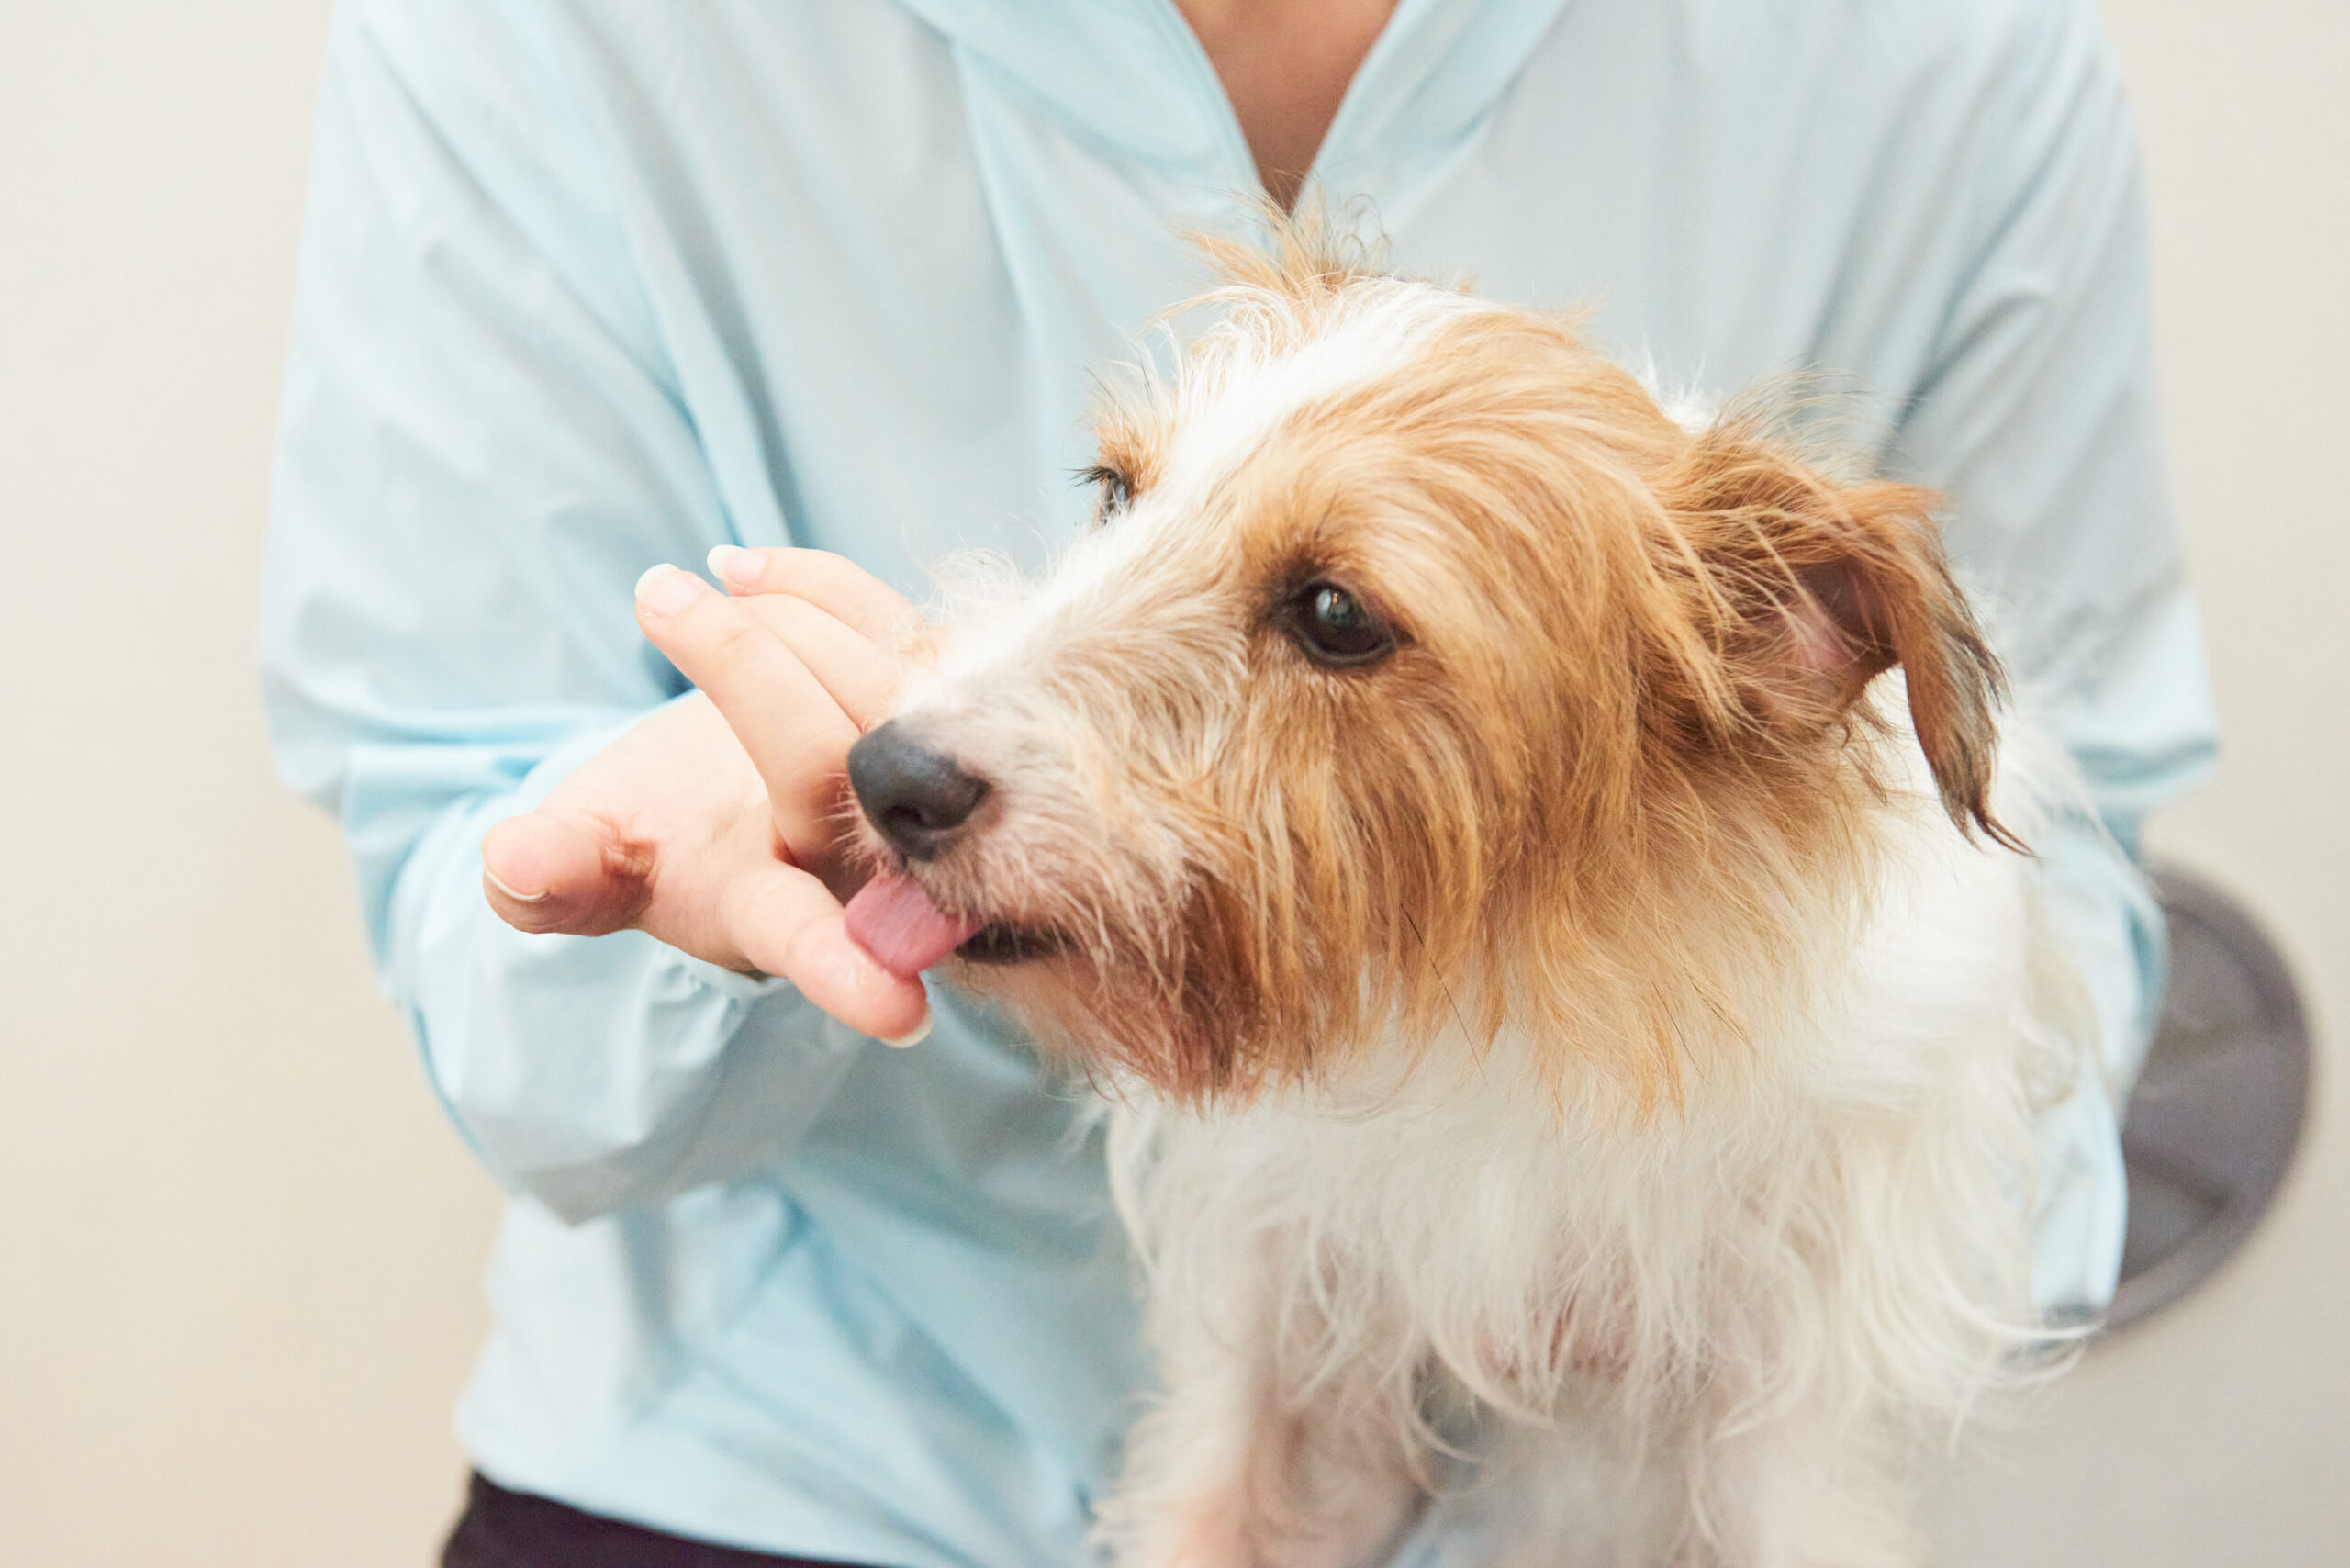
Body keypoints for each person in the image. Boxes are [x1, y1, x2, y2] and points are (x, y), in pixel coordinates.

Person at [260, 1, 2217, 1562]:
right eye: (1115, 494)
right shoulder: (532, 34)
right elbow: (473, 900)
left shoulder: (1951, 56)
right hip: (769, 1458)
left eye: (1335, 619)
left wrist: (1743, 1211)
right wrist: (667, 889)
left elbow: (2062, 885)